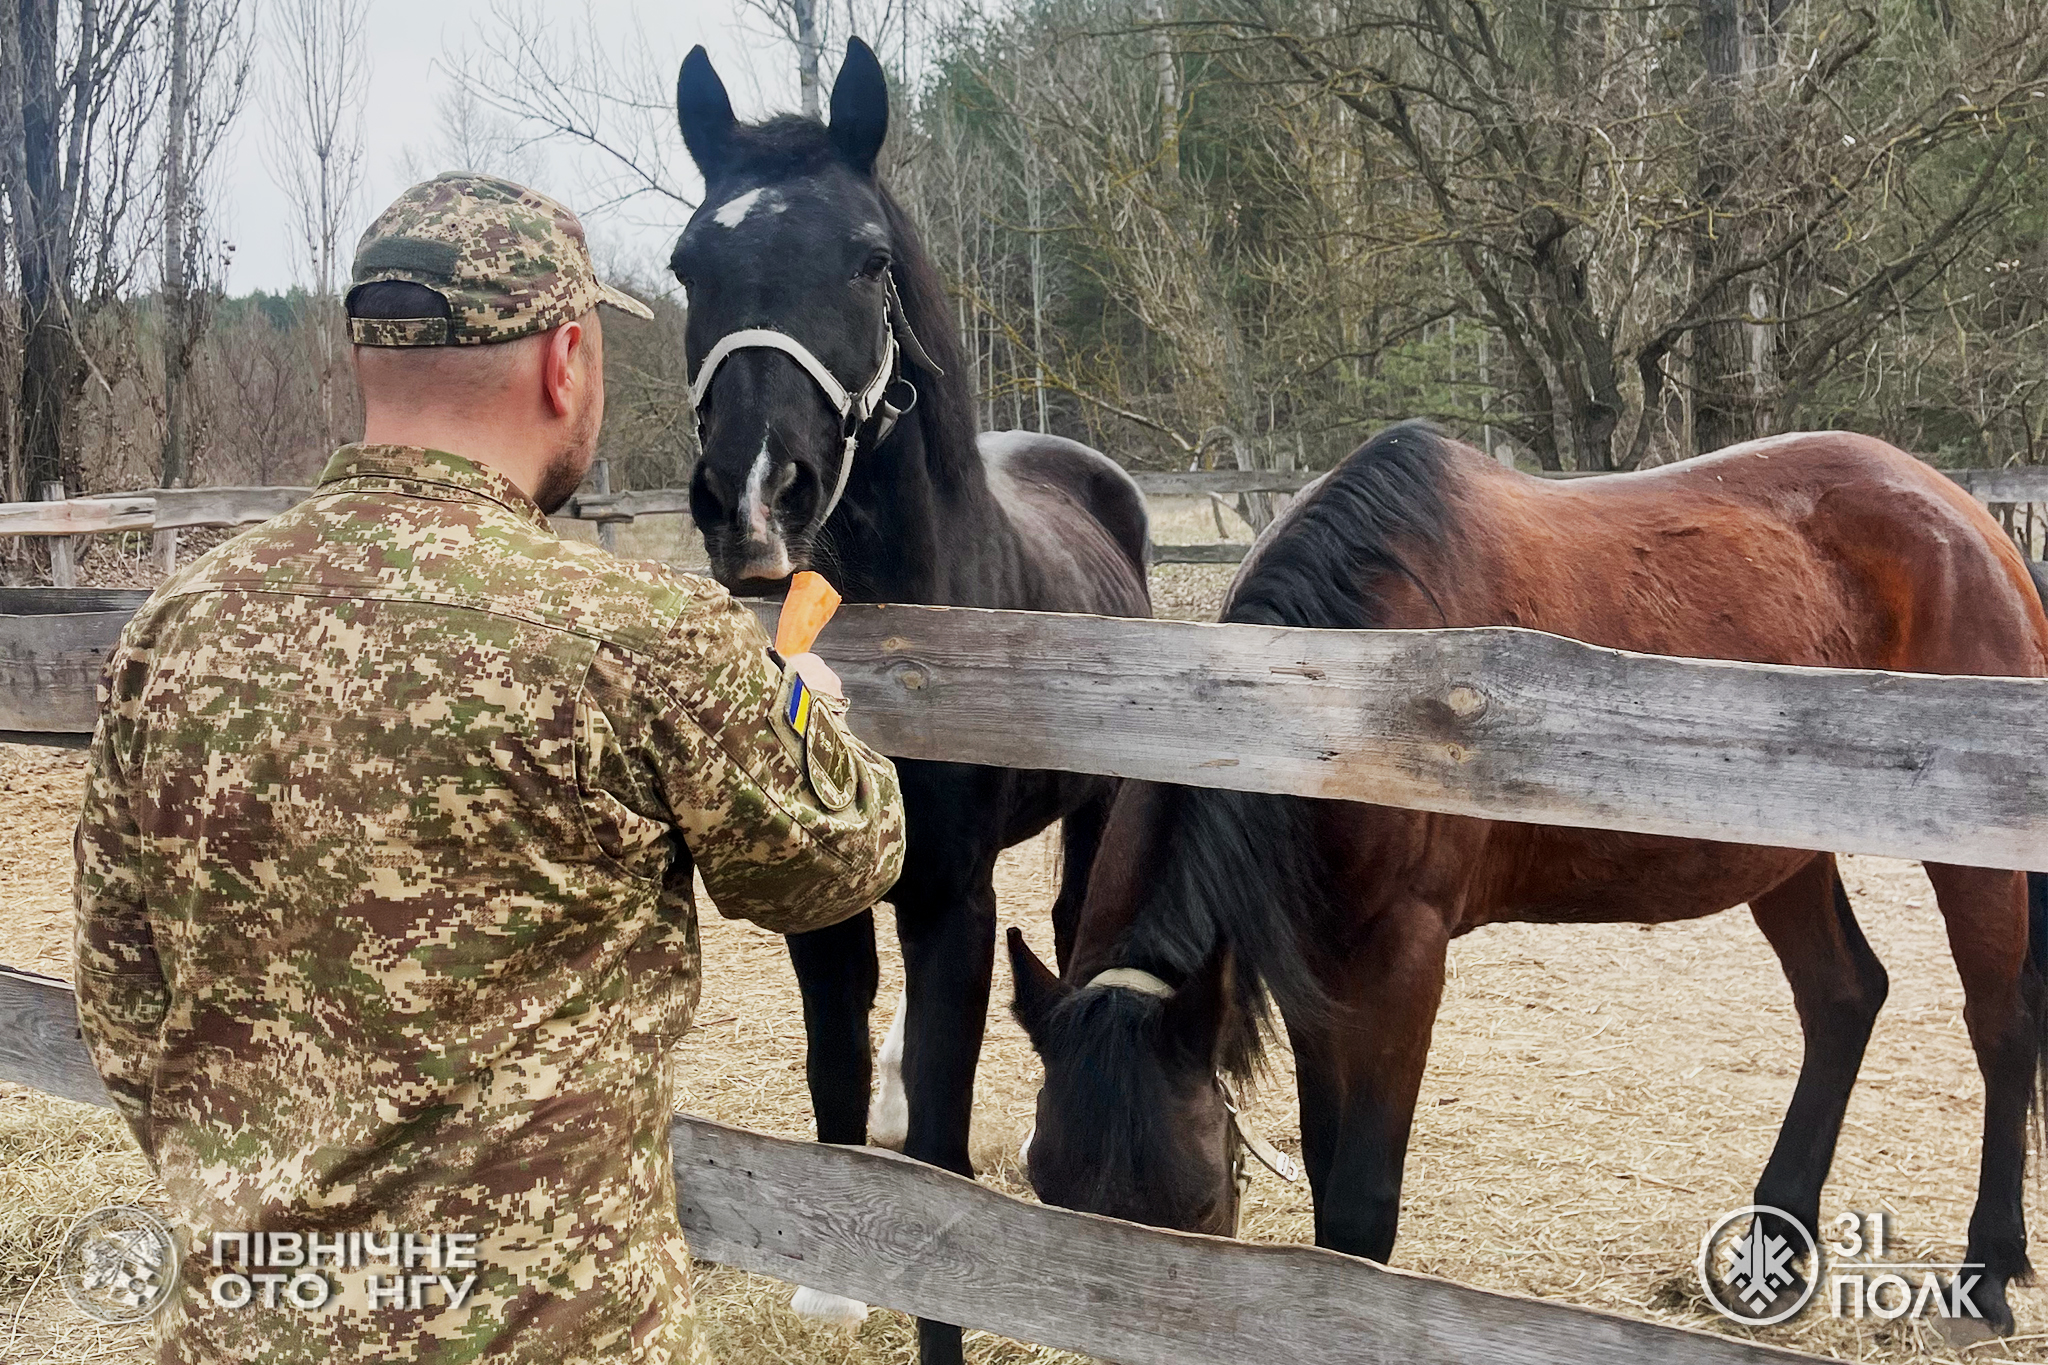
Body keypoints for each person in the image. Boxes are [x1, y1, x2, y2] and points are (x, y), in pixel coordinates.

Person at [72, 173, 905, 1364]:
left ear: (368, 357)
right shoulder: (638, 635)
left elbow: (122, 990)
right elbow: (837, 865)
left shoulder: (177, 625)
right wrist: (799, 711)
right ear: (566, 361)